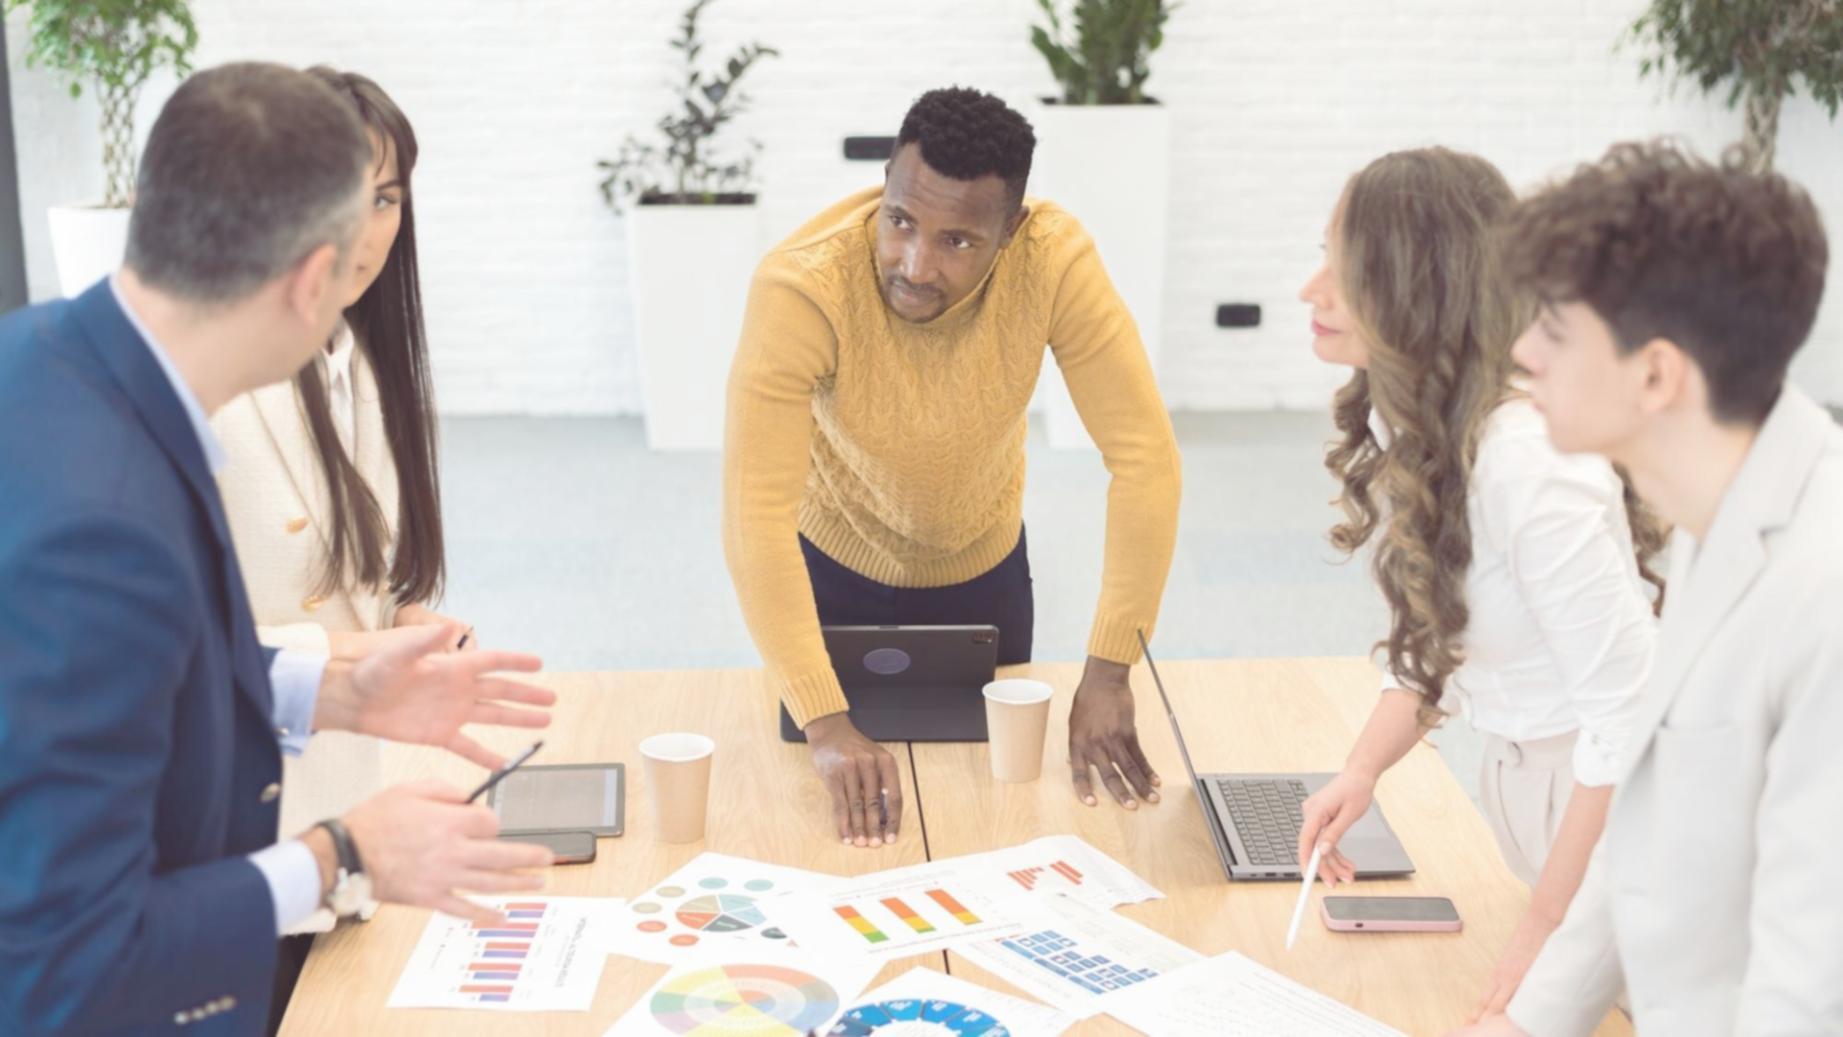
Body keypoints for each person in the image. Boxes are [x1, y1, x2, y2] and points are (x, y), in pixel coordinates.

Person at [0, 63, 556, 1035]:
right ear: (314, 281)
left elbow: (133, 671)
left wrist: (328, 688)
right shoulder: (105, 530)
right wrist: (344, 850)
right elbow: (69, 960)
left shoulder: (42, 353)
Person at [723, 86, 1182, 848]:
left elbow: (1145, 460)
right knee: (823, 834)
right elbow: (752, 513)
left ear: (1010, 233)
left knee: (998, 823)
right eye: (899, 219)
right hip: (829, 568)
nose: (914, 263)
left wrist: (1109, 667)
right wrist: (826, 720)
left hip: (985, 569)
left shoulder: (1053, 259)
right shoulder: (801, 285)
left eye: (957, 241)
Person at [1453, 142, 1842, 1036]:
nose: (1519, 352)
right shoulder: (1722, 514)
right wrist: (1527, 1019)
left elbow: (1808, 985)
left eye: (1552, 329)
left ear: (1656, 374)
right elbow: (1651, 833)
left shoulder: (1820, 594)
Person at [1289, 147, 1662, 1016]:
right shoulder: (1430, 424)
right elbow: (1438, 639)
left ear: (1417, 287)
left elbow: (1629, 721)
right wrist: (1360, 770)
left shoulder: (1525, 460)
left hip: (1631, 828)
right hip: (1556, 813)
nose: (1310, 289)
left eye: (1340, 271)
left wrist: (1545, 925)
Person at [212, 66, 461, 896]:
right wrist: (363, 652)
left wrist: (405, 621)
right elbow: (180, 660)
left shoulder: (363, 360)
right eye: (336, 195)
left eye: (385, 199)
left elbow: (352, 572)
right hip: (239, 824)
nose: (364, 231)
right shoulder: (212, 384)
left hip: (345, 799)